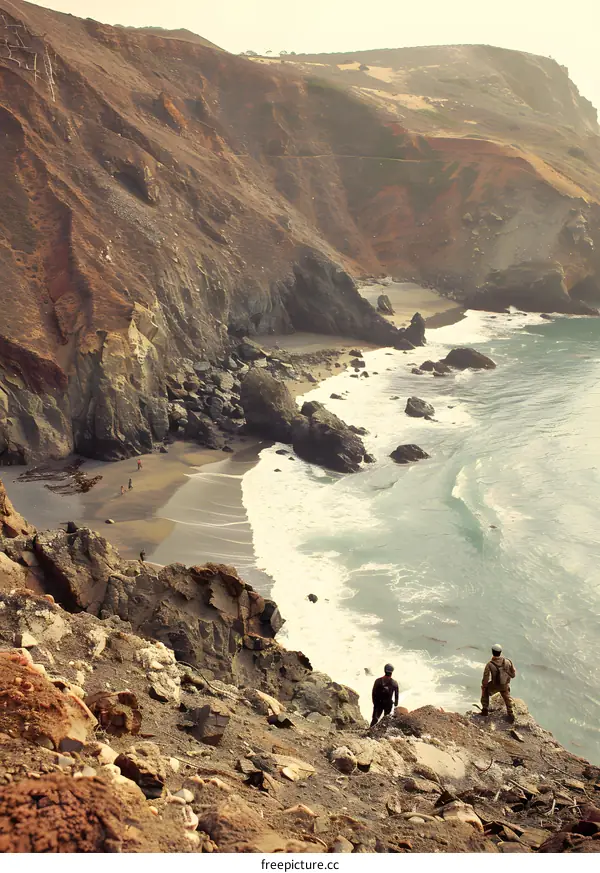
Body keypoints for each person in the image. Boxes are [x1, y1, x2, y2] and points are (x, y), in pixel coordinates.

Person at [481, 643, 516, 722]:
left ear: (492, 652)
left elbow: (485, 678)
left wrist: (484, 686)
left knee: (485, 691)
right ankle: (510, 713)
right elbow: (513, 675)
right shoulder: (508, 661)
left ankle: (485, 710)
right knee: (507, 697)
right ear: (500, 652)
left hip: (495, 685)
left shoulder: (490, 664)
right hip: (505, 685)